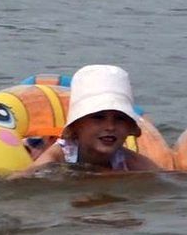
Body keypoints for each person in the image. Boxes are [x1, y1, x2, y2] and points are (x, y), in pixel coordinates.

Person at [12, 65, 160, 176]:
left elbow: (165, 179)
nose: (110, 126)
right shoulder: (58, 155)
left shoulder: (131, 161)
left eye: (120, 118)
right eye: (98, 117)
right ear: (77, 125)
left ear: (129, 128)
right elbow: (22, 180)